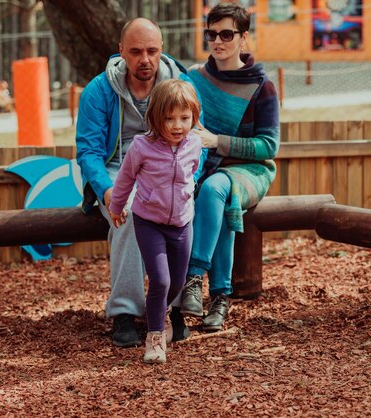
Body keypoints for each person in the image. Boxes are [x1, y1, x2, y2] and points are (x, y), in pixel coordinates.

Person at [76, 18, 196, 347]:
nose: (145, 59)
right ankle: (125, 311)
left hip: (165, 167)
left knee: (178, 214)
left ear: (162, 50)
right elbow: (88, 151)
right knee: (128, 213)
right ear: (121, 52)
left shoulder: (180, 85)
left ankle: (171, 309)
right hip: (116, 169)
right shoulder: (99, 91)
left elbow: (194, 140)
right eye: (136, 51)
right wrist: (106, 189)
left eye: (152, 51)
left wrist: (189, 181)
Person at [180, 2, 280, 331]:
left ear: (243, 38)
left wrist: (217, 141)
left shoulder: (262, 87)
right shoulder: (195, 79)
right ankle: (220, 298)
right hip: (205, 167)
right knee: (216, 197)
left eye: (226, 34)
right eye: (212, 34)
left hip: (251, 169)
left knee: (216, 189)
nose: (218, 41)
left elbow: (269, 147)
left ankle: (194, 279)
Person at [109, 79, 204, 363]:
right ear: (154, 118)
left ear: (193, 118)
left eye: (184, 118)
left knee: (176, 281)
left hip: (182, 223)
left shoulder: (194, 144)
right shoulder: (142, 146)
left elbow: (192, 172)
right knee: (160, 280)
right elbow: (125, 178)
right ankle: (155, 338)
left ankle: (159, 314)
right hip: (149, 222)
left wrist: (187, 194)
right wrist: (116, 207)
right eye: (169, 118)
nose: (177, 125)